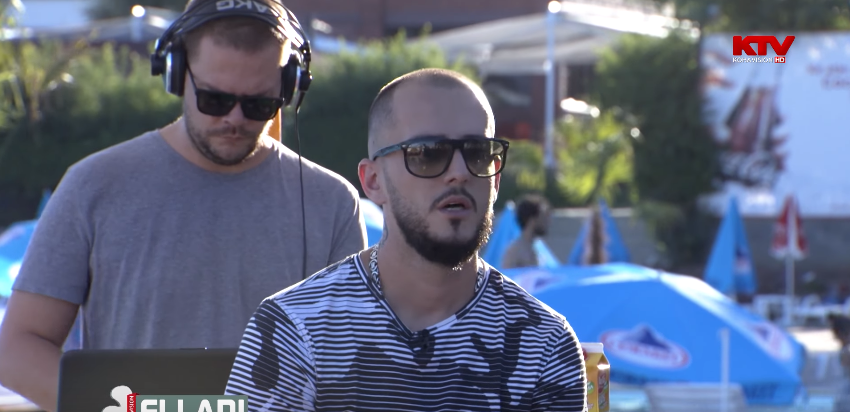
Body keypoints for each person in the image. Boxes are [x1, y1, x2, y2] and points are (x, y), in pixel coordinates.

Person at [0, 1, 366, 410]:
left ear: (289, 86)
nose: (235, 119)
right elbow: (18, 349)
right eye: (215, 99)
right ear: (176, 73)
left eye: (259, 105)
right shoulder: (94, 185)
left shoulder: (331, 203)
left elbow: (352, 365)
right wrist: (129, 407)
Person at [224, 68, 587, 411]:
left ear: (495, 179)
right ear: (373, 181)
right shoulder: (294, 328)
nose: (459, 173)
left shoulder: (545, 344)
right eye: (427, 154)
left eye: (477, 154)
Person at [501, 194, 551, 269]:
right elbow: (507, 273)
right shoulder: (514, 251)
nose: (547, 222)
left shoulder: (537, 250)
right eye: (543, 218)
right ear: (532, 220)